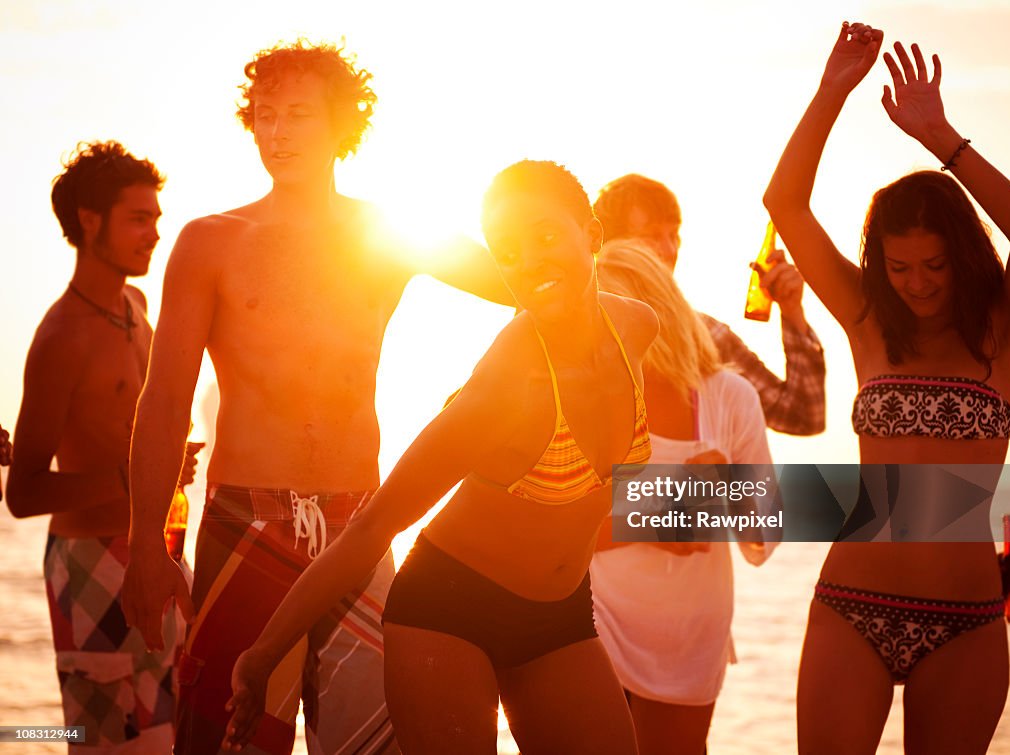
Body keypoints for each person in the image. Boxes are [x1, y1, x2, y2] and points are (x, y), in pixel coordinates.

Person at [120, 40, 511, 755]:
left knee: (373, 744)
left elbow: (519, 285)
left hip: (360, 523)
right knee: (227, 742)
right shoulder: (210, 241)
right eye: (264, 115)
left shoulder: (388, 233)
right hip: (246, 521)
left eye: (298, 114)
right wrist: (146, 540)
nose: (276, 132)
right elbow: (165, 399)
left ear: (341, 126)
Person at [221, 159, 657, 754]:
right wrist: (261, 655)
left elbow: (611, 498)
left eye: (547, 236)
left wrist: (791, 505)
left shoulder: (636, 327)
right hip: (448, 611)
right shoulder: (508, 386)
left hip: (560, 617)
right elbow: (376, 524)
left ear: (594, 234)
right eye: (507, 252)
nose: (529, 262)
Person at [763, 22, 1010, 753]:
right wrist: (831, 92)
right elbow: (785, 203)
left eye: (935, 266)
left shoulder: (1005, 332)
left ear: (964, 257)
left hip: (967, 619)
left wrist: (943, 139)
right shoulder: (868, 319)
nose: (917, 285)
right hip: (854, 604)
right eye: (901, 267)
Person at [4, 141, 197, 752]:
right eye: (140, 219)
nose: (154, 234)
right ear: (90, 222)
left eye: (157, 219)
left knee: (171, 734)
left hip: (157, 547)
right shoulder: (61, 336)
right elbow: (23, 492)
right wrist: (127, 476)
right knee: (95, 739)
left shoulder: (137, 307)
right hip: (88, 561)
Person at [592, 240, 775, 754]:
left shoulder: (728, 398)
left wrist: (725, 494)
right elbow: (550, 539)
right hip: (592, 620)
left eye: (619, 313)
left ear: (660, 313)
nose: (606, 333)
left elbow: (764, 535)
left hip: (687, 634)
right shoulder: (584, 396)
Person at [594, 173, 827, 436]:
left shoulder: (705, 336)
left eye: (674, 235)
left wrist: (792, 310)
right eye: (652, 237)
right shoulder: (578, 333)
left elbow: (802, 416)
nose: (670, 250)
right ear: (606, 246)